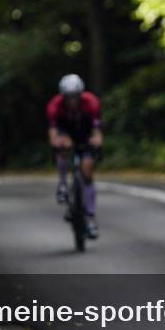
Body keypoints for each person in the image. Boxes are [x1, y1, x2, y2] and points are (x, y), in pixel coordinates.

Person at [46, 74, 103, 238]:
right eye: (68, 97)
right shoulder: (55, 105)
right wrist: (57, 142)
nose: (71, 101)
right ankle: (63, 184)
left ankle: (91, 217)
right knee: (63, 146)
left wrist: (97, 140)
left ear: (80, 94)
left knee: (87, 172)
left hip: (84, 133)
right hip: (66, 132)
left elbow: (97, 130)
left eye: (75, 97)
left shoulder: (91, 103)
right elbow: (53, 131)